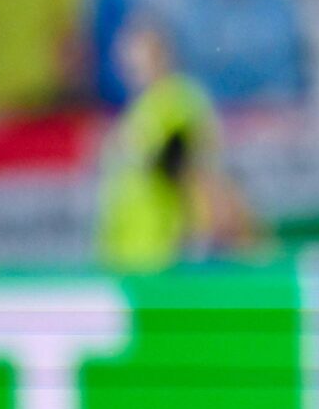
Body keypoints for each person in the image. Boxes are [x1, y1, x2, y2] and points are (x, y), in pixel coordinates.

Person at [96, 21, 250, 271]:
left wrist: (201, 241)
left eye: (141, 54)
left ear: (163, 55)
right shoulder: (138, 112)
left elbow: (200, 178)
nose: (131, 65)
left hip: (164, 257)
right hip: (128, 258)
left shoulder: (178, 105)